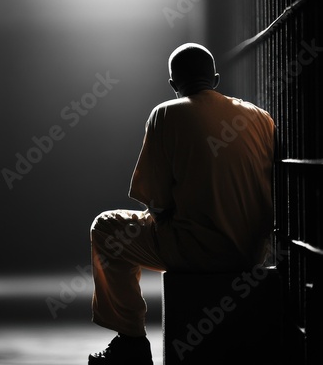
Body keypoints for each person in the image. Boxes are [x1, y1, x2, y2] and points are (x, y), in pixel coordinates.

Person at [88, 43, 275, 365]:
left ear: (173, 84)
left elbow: (157, 202)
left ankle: (130, 340)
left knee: (105, 228)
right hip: (255, 252)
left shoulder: (166, 113)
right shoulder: (261, 118)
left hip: (198, 251)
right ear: (215, 79)